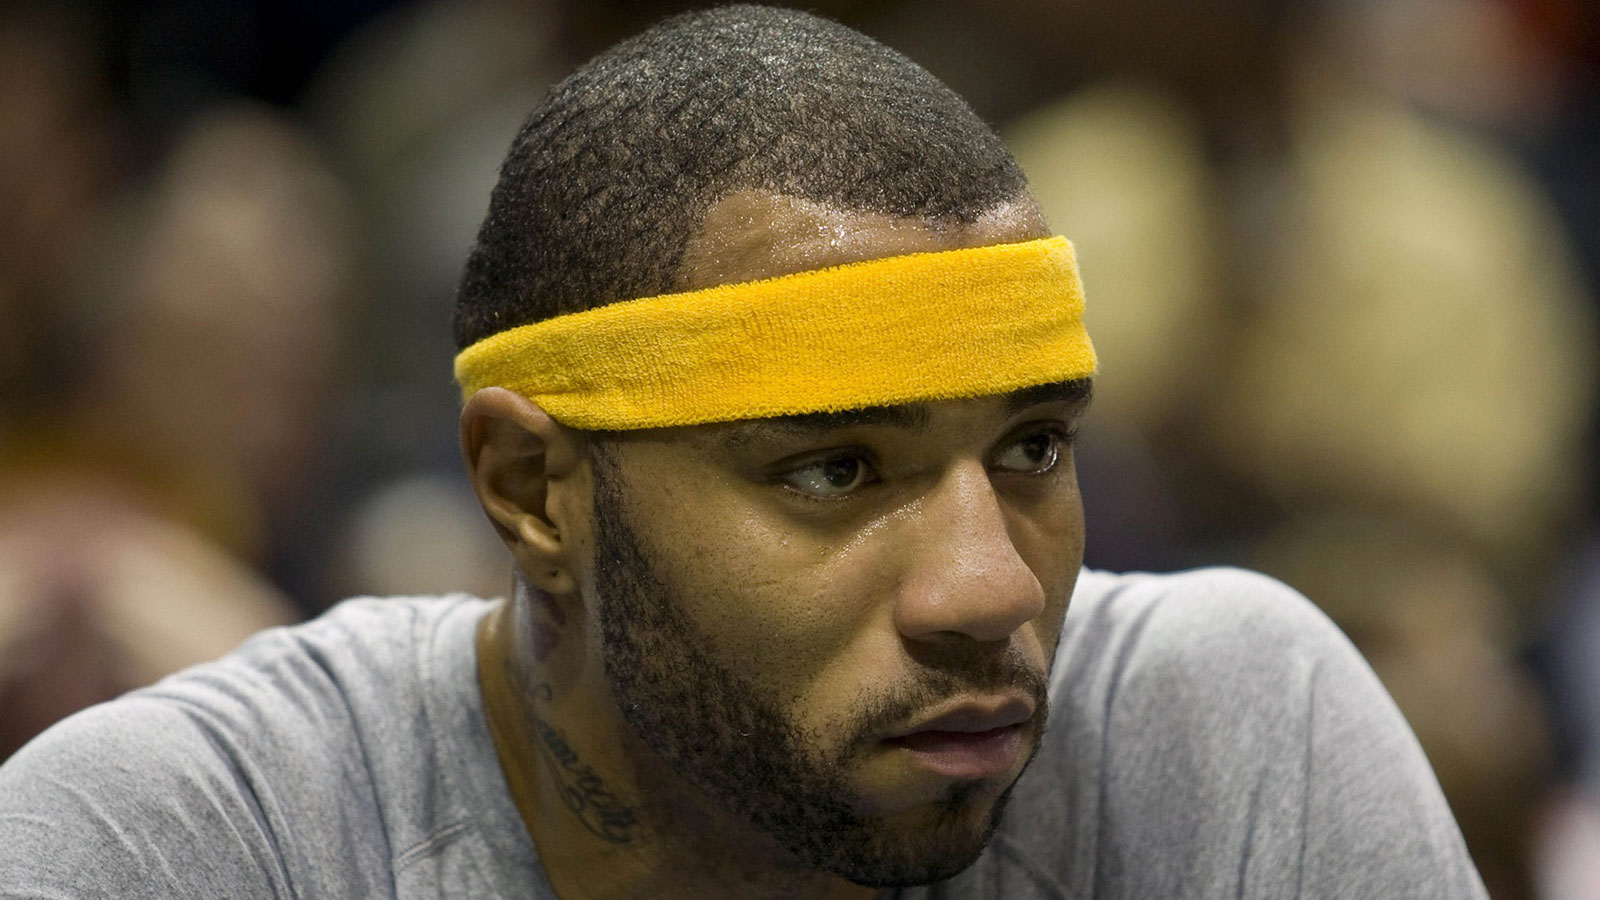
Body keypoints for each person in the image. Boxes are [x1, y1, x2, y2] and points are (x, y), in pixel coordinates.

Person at [0, 6, 1486, 898]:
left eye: (1031, 451)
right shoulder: (183, 843)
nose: (987, 591)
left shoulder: (1220, 737)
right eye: (832, 470)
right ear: (533, 493)